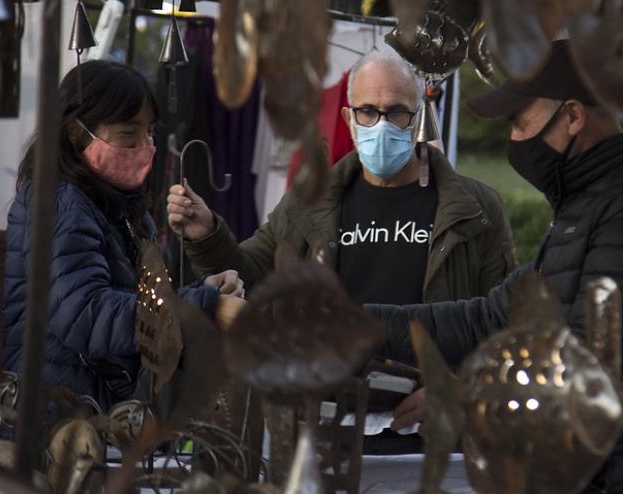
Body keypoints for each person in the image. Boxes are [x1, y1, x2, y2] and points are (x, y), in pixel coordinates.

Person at [364, 40, 623, 493]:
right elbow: (489, 319)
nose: (515, 141)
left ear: (572, 116)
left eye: (520, 123)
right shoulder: (588, 207)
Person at [167, 49, 516, 307]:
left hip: (427, 399)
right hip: (326, 399)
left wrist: (446, 391)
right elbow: (249, 274)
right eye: (367, 112)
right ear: (349, 120)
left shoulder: (475, 209)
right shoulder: (307, 204)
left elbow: (498, 321)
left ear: (417, 117)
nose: (381, 125)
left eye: (396, 112)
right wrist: (207, 233)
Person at [1, 60, 244, 411]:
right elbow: (87, 313)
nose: (145, 145)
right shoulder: (61, 202)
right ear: (75, 132)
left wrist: (205, 291)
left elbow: (140, 299)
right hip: (60, 418)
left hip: (106, 408)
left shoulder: (121, 205)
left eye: (149, 133)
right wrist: (202, 306)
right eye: (129, 135)